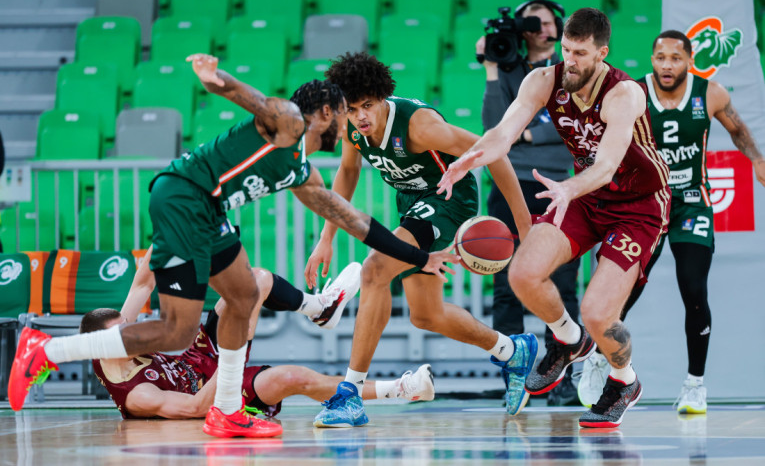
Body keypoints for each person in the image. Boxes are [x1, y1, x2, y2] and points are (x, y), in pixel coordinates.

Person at [8, 54, 458, 438]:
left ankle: (226, 410)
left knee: (244, 295)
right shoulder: (289, 121)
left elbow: (356, 222)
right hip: (185, 198)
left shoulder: (302, 171)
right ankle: (45, 350)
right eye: (344, 115)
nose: (348, 128)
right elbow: (253, 99)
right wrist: (215, 79)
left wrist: (422, 258)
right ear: (326, 111)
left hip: (209, 212)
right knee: (176, 331)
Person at [438, 8, 671, 428]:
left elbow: (605, 166)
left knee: (599, 313)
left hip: (637, 205)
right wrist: (471, 158)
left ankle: (625, 380)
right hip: (586, 195)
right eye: (566, 49)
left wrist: (567, 188)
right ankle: (568, 339)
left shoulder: (624, 93)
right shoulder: (543, 80)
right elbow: (503, 133)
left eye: (580, 53)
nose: (570, 60)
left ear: (602, 53)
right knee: (522, 273)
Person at [305, 52, 535, 428]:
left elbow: (493, 152)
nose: (361, 117)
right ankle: (512, 350)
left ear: (382, 99)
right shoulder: (352, 127)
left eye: (368, 106)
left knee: (375, 270)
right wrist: (326, 237)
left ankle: (349, 395)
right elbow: (347, 172)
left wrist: (524, 227)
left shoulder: (419, 126)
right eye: (352, 109)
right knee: (426, 315)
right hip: (413, 204)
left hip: (449, 200)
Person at [577, 30, 765, 413]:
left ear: (689, 60)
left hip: (692, 203)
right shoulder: (633, 92)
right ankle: (599, 358)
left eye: (675, 58)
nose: (666, 65)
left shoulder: (711, 93)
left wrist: (758, 160)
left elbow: (738, 131)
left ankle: (695, 384)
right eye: (660, 57)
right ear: (651, 58)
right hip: (647, 202)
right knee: (624, 292)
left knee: (694, 289)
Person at [84, 252, 434, 420]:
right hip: (214, 394)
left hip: (200, 356)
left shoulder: (118, 334)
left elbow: (144, 279)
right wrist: (232, 360)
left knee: (257, 279)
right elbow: (195, 408)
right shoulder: (138, 395)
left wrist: (171, 231)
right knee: (294, 377)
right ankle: (401, 389)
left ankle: (320, 307)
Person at [478, 0, 581, 406]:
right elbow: (492, 125)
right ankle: (515, 380)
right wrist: (490, 68)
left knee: (563, 286)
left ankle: (563, 378)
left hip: (559, 185)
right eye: (531, 20)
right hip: (509, 186)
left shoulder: (572, 72)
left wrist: (524, 133)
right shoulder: (505, 68)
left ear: (559, 26)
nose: (540, 26)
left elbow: (569, 124)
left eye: (547, 19)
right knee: (505, 287)